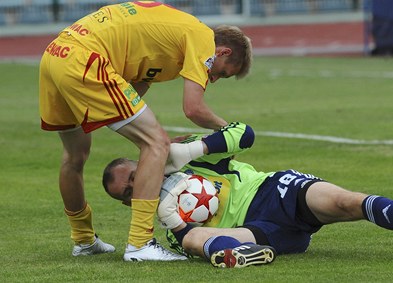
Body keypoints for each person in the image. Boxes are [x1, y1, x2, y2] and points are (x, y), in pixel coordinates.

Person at [39, 1, 252, 262]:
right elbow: (193, 109)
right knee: (156, 143)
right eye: (222, 74)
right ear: (222, 52)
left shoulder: (169, 45)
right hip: (86, 58)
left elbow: (133, 93)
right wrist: (228, 129)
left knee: (75, 157)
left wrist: (150, 142)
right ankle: (140, 244)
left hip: (56, 55)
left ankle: (83, 240)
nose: (214, 80)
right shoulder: (203, 38)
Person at [102, 122, 393, 268]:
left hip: (274, 191)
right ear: (127, 204)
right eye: (129, 192)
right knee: (194, 240)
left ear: (141, 161)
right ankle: (242, 256)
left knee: (345, 202)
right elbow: (184, 244)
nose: (138, 186)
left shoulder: (186, 158)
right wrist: (176, 226)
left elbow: (245, 134)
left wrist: (191, 150)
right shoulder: (164, 224)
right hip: (257, 232)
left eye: (133, 175)